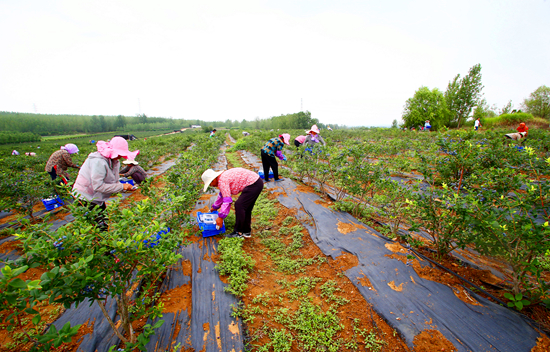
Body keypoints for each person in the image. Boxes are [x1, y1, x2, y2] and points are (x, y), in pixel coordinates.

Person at [73, 136, 139, 231]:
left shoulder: (114, 161)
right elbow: (98, 186)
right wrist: (122, 186)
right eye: (120, 153)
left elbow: (114, 181)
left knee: (103, 221)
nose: (120, 156)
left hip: (96, 198)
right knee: (95, 227)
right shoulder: (98, 162)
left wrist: (123, 187)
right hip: (84, 198)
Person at [202, 168, 264, 239]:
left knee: (240, 205)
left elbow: (227, 201)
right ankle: (246, 232)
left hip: (253, 184)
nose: (211, 186)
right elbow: (223, 195)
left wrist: (221, 217)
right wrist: (215, 207)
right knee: (246, 208)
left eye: (210, 184)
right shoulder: (222, 178)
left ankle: (238, 232)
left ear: (213, 180)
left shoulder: (222, 181)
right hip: (256, 182)